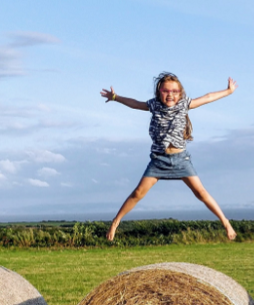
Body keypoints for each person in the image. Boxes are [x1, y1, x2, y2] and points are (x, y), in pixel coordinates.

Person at [101, 72, 237, 241]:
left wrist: (228, 91)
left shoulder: (184, 104)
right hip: (159, 160)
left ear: (180, 93)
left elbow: (208, 97)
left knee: (201, 192)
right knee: (137, 193)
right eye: (166, 91)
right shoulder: (154, 105)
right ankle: (115, 222)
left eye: (174, 91)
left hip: (181, 159)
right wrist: (116, 97)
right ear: (159, 92)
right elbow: (135, 104)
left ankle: (225, 223)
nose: (170, 95)